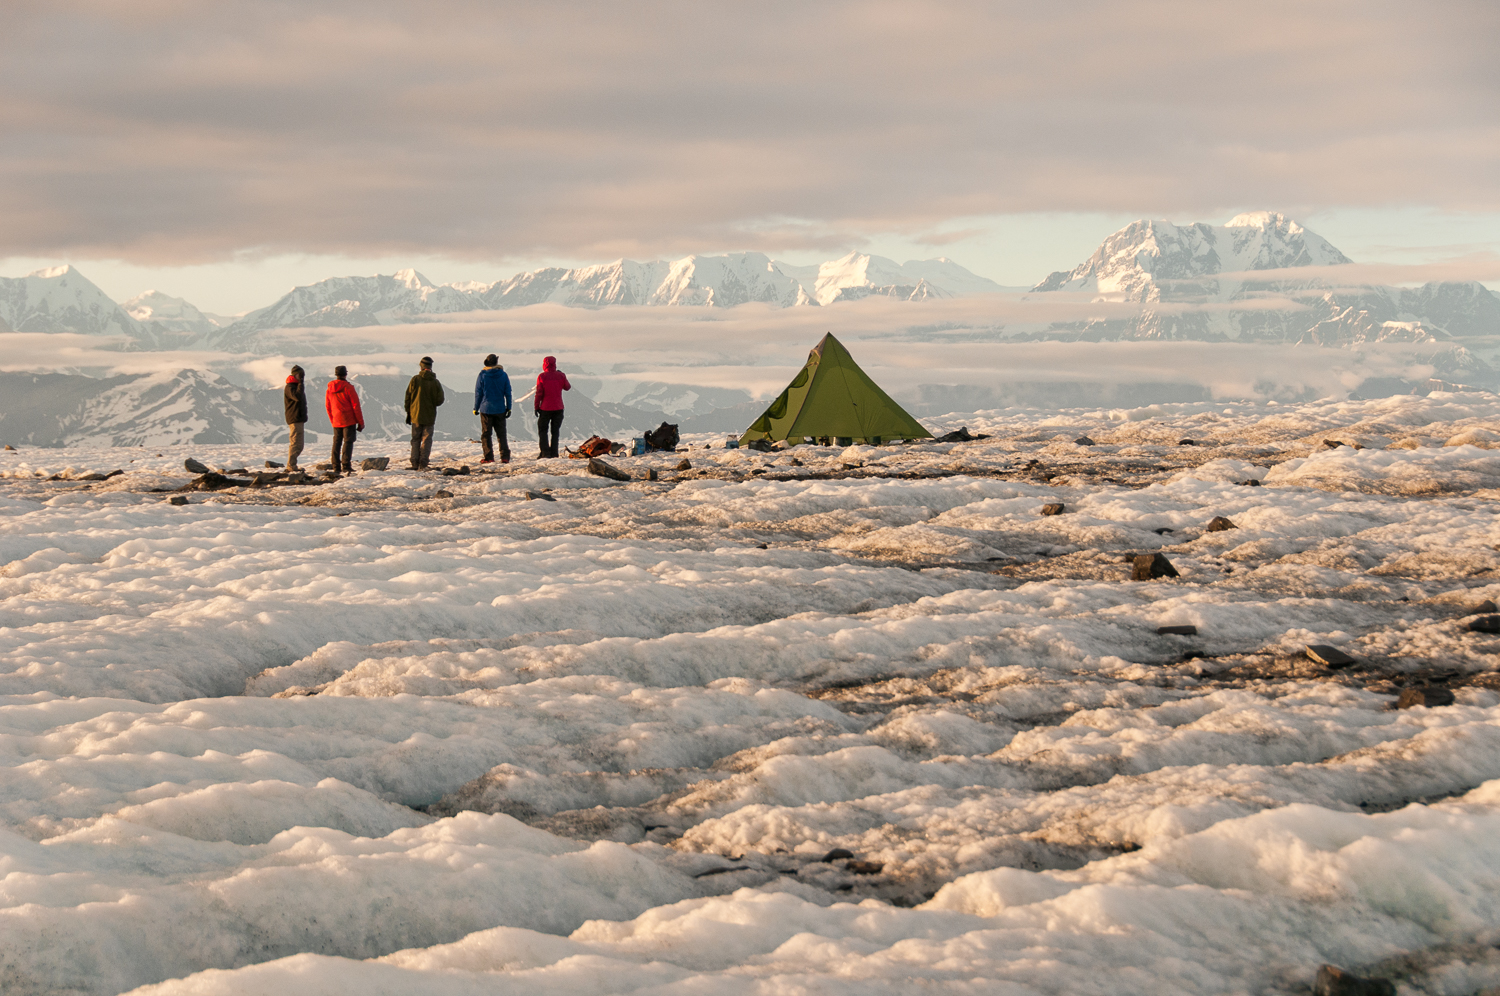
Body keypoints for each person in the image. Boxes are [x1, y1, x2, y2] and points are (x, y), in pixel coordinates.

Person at [404, 355, 445, 470]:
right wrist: (431, 404)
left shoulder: (415, 380)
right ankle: (423, 463)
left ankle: (414, 462)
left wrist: (408, 412)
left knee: (415, 439)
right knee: (426, 439)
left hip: (415, 415)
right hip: (430, 416)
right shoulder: (435, 382)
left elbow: (408, 397)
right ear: (430, 367)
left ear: (421, 367)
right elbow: (440, 400)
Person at [473, 353, 512, 464]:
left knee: (486, 434)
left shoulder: (482, 374)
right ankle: (504, 457)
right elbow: (508, 392)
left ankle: (488, 457)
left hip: (486, 409)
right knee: (501, 434)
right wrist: (509, 407)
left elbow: (478, 393)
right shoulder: (503, 375)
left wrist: (476, 407)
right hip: (500, 408)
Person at [325, 365, 365, 474]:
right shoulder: (348, 387)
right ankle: (346, 465)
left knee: (337, 442)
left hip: (336, 420)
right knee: (348, 442)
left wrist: (332, 420)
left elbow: (328, 406)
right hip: (349, 419)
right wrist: (360, 423)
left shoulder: (330, 388)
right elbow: (356, 406)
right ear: (345, 374)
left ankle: (335, 466)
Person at [534, 355, 570, 459]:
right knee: (555, 432)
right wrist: (561, 375)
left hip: (545, 408)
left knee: (543, 430)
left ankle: (545, 453)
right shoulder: (561, 375)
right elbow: (567, 387)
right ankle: (554, 453)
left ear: (544, 364)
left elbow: (539, 393)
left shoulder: (542, 376)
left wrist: (536, 407)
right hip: (558, 408)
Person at [283, 365, 308, 471]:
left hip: (298, 418)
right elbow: (297, 397)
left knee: (299, 444)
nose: (303, 377)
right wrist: (301, 383)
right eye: (301, 375)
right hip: (295, 418)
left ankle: (292, 464)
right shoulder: (290, 387)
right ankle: (291, 465)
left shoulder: (294, 386)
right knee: (296, 443)